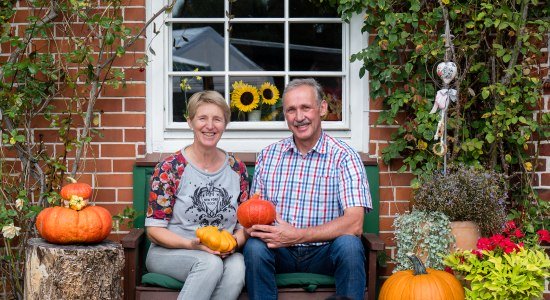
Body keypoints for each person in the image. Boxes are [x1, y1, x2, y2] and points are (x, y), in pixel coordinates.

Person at [243, 78, 372, 300]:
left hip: (325, 251)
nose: (299, 117)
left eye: (306, 107)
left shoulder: (344, 157)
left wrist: (297, 235)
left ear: (322, 109)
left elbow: (354, 223)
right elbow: (255, 214)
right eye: (291, 110)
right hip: (279, 250)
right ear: (285, 115)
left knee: (350, 245)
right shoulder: (269, 155)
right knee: (255, 247)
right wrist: (260, 231)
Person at [145, 90, 249, 300]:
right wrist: (192, 245)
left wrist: (233, 244)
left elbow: (244, 225)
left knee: (238, 266)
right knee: (208, 263)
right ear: (190, 122)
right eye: (202, 118)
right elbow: (154, 230)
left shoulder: (236, 168)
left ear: (225, 124)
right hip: (171, 251)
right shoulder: (170, 168)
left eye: (217, 119)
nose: (210, 126)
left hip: (222, 252)